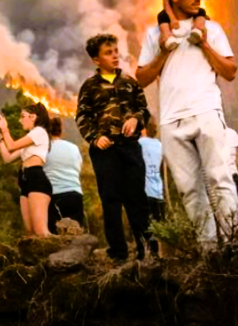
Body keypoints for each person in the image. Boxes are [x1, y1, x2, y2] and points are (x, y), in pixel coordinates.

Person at [136, 0, 238, 247]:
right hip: (171, 120)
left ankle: (235, 244)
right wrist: (163, 52)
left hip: (206, 111)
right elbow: (141, 78)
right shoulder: (154, 34)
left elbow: (230, 71)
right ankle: (209, 251)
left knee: (220, 178)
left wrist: (204, 42)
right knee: (189, 190)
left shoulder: (212, 29)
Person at [76, 33, 153, 261]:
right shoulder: (89, 87)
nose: (115, 56)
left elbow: (144, 109)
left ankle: (146, 250)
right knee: (110, 200)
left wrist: (136, 120)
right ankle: (117, 252)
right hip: (104, 151)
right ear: (96, 60)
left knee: (137, 198)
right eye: (108, 53)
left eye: (115, 51)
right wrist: (94, 137)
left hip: (130, 148)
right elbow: (82, 117)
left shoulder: (130, 82)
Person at [0, 103, 53, 237]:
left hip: (36, 179)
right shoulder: (29, 140)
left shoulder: (39, 131)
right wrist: (0, 138)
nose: (20, 120)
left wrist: (5, 130)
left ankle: (65, 249)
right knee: (30, 232)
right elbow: (7, 158)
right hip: (25, 180)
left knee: (41, 232)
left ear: (33, 117)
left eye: (23, 117)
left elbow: (12, 146)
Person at [43, 118, 85, 234]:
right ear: (61, 130)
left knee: (55, 236)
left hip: (54, 196)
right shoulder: (73, 148)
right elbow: (78, 168)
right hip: (75, 194)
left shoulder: (44, 148)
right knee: (75, 235)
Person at [139, 123, 166, 223]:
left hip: (146, 191)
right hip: (159, 192)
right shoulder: (160, 145)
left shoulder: (140, 144)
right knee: (161, 223)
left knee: (147, 225)